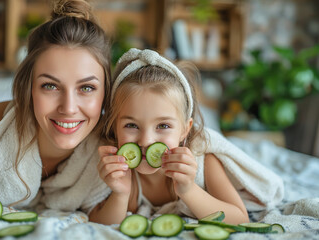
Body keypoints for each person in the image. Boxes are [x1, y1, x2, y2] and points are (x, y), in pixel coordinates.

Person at [89, 48, 284, 225]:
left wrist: (188, 190)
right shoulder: (125, 172)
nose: (146, 141)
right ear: (114, 128)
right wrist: (120, 193)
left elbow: (238, 218)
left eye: (163, 125)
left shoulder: (205, 161)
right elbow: (101, 223)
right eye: (131, 125)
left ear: (185, 129)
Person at [0, 0, 112, 212]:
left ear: (105, 93)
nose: (69, 108)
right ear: (29, 87)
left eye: (87, 88)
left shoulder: (114, 142)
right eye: (50, 86)